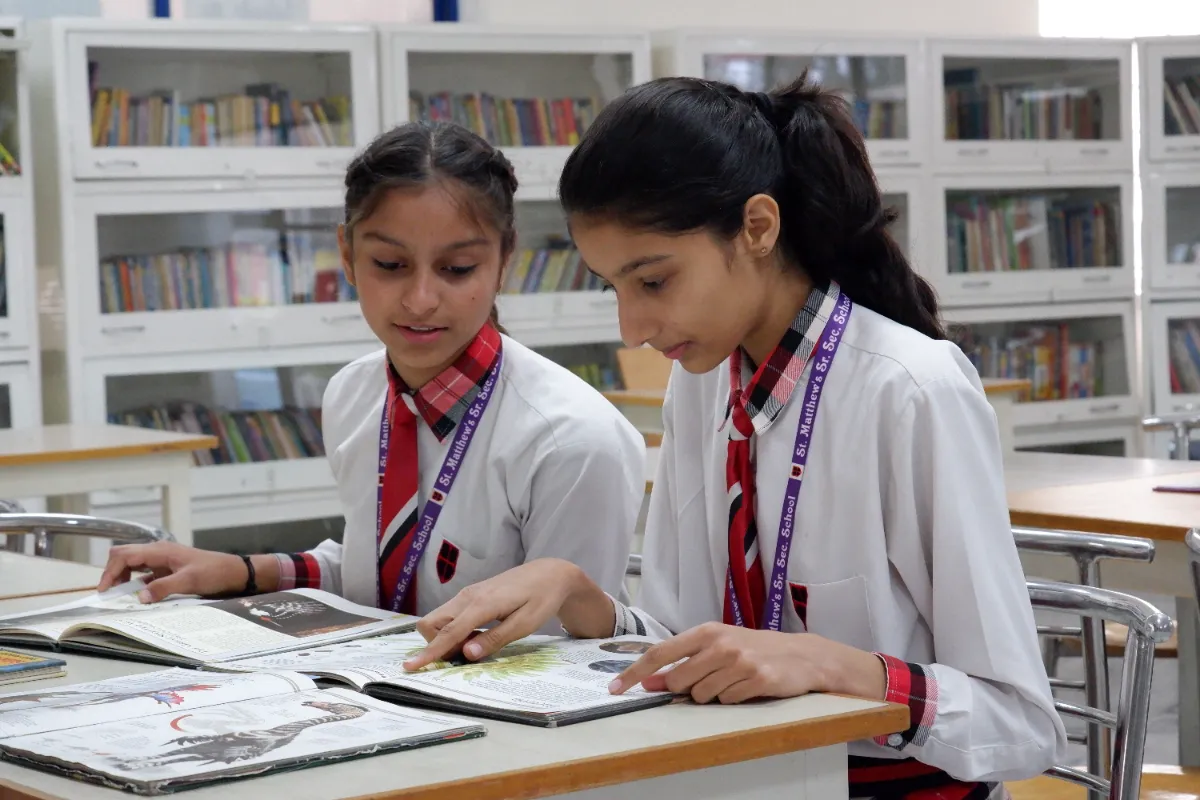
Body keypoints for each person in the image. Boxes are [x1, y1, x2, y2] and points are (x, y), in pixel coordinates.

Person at [403, 75, 1067, 792]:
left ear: (757, 227)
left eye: (652, 282)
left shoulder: (909, 388)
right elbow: (694, 646)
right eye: (613, 288)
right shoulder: (702, 383)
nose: (632, 328)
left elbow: (1019, 723)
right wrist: (579, 595)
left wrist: (832, 666)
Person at [97, 121, 646, 626]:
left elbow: (576, 644)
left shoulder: (571, 438)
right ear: (347, 255)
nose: (421, 299)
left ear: (505, 261)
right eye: (390, 265)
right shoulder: (353, 393)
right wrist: (240, 570)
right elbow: (378, 577)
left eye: (457, 269)